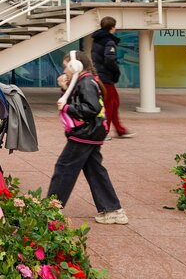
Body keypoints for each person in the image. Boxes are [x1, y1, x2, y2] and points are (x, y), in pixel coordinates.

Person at [46, 50, 129, 225]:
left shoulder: (86, 82)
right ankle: (112, 210)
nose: (65, 71)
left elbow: (90, 108)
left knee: (64, 168)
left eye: (66, 67)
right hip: (91, 133)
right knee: (94, 170)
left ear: (76, 65)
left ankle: (50, 209)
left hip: (85, 133)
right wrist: (64, 89)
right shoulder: (85, 81)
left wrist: (68, 108)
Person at [90, 17, 134, 138]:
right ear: (112, 28)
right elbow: (110, 60)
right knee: (110, 104)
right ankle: (104, 130)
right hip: (106, 77)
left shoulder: (97, 40)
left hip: (100, 75)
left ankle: (120, 129)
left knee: (114, 102)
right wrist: (116, 71)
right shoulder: (109, 42)